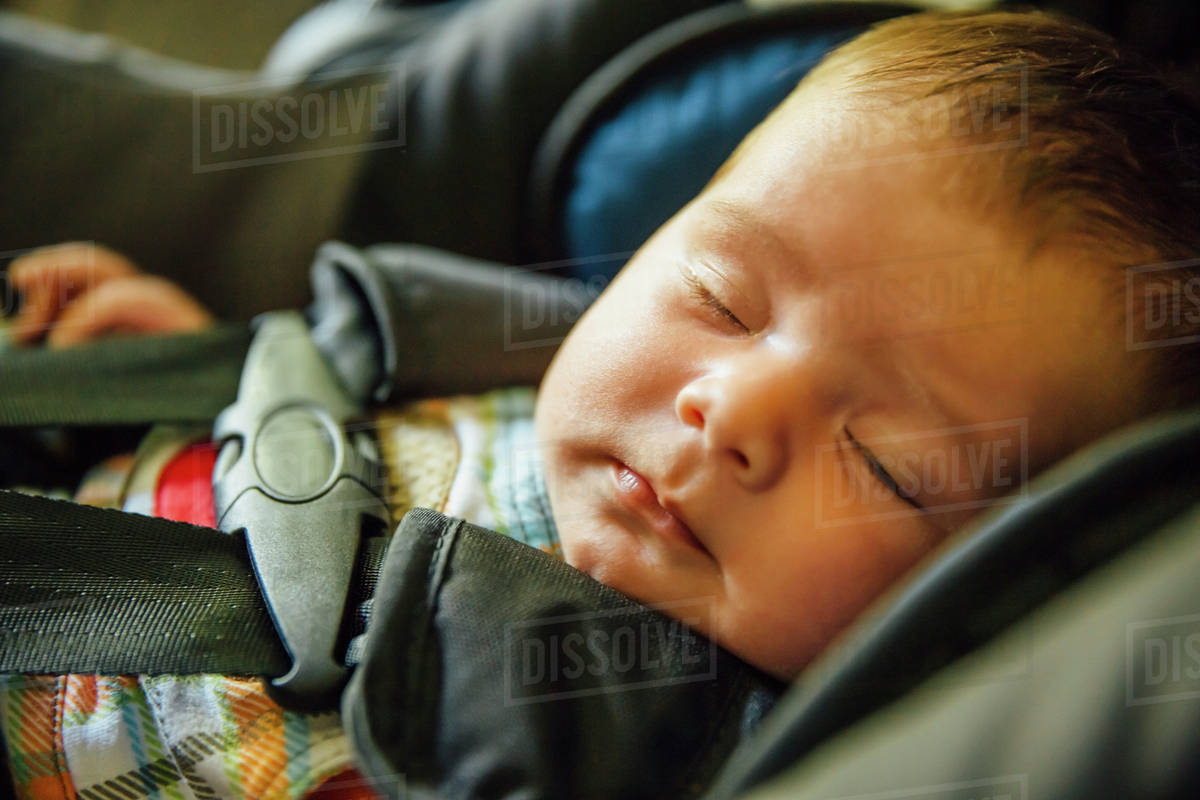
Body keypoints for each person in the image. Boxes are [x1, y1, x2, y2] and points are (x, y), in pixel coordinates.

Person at [2, 8, 1198, 798]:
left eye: (890, 464)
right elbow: (311, 375)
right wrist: (183, 368)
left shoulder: (684, 745)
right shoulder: (481, 360)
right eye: (721, 296)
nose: (727, 410)